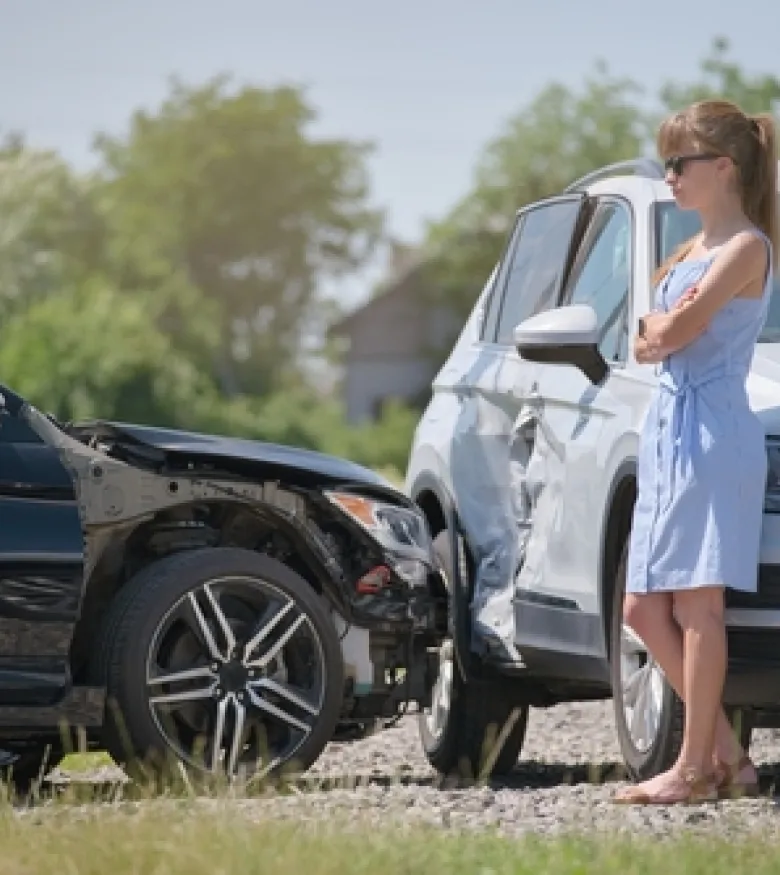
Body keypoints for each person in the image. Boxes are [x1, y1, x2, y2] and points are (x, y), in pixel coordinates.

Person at [613, 100, 778, 805]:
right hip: (669, 437)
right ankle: (727, 759)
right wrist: (660, 329)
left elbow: (669, 334)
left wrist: (663, 327)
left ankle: (691, 767)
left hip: (713, 435)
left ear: (724, 167)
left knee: (697, 606)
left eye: (680, 164)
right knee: (642, 609)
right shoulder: (689, 252)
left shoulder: (747, 245)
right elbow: (641, 339)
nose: (670, 176)